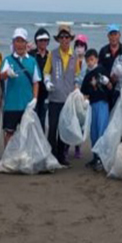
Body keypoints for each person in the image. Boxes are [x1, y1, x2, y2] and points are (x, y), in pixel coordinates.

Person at [43, 25, 79, 165]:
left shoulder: (74, 56)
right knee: (52, 128)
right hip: (54, 97)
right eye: (62, 37)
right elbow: (46, 71)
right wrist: (47, 81)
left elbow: (76, 75)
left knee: (64, 128)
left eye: (67, 37)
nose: (64, 40)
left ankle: (62, 156)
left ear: (70, 39)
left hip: (68, 98)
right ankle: (52, 156)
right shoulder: (52, 54)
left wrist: (77, 88)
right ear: (58, 39)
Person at [0, 28, 41, 146]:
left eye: (22, 41)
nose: (19, 44)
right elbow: (1, 77)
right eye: (17, 41)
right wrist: (7, 73)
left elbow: (36, 82)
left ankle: (24, 157)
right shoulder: (7, 60)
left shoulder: (32, 61)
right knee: (9, 133)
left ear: (26, 43)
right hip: (11, 104)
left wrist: (35, 99)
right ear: (13, 43)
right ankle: (8, 157)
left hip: (27, 105)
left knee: (26, 133)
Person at [81, 49, 114, 172]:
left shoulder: (101, 71)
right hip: (92, 105)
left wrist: (107, 82)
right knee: (93, 132)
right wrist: (85, 100)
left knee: (102, 130)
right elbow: (84, 92)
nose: (90, 63)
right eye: (88, 60)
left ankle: (102, 158)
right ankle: (95, 157)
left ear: (96, 59)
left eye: (92, 60)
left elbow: (110, 87)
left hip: (102, 103)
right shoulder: (87, 76)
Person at [31, 27, 51, 130]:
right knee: (31, 120)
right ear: (36, 41)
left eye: (45, 40)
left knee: (42, 118)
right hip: (33, 92)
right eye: (40, 40)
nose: (43, 42)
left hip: (45, 93)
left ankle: (41, 144)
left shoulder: (50, 56)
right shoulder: (31, 55)